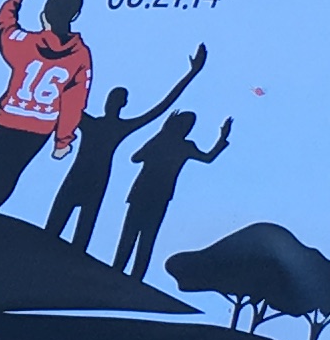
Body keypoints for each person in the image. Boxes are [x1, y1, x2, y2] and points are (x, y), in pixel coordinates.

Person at [41, 44, 209, 252]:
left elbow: (161, 107)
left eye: (116, 100)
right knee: (52, 231)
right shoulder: (93, 124)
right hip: (80, 175)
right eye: (112, 99)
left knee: (81, 238)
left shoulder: (117, 127)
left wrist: (192, 73)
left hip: (96, 179)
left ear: (123, 104)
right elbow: (63, 95)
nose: (112, 103)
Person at [0, 0, 93, 217]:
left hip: (7, 121)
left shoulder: (26, 42)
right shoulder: (81, 55)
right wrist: (62, 141)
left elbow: (3, 27)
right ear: (75, 16)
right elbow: (74, 102)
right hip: (39, 129)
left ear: (43, 15)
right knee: (8, 179)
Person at [111, 107, 233, 280]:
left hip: (154, 195)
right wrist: (161, 134)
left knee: (142, 237)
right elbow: (136, 157)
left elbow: (207, 158)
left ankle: (129, 275)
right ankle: (122, 272)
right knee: (137, 236)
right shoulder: (171, 143)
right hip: (147, 193)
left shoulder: (181, 145)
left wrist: (222, 138)